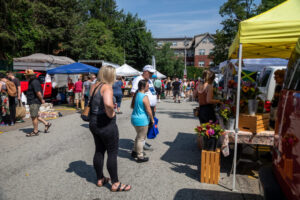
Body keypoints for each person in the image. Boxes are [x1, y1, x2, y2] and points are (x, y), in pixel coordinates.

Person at [89, 65, 131, 192]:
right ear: (110, 75)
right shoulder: (107, 87)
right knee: (112, 152)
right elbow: (107, 103)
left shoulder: (94, 86)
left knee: (99, 150)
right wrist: (111, 113)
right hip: (105, 123)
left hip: (93, 121)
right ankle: (116, 183)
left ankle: (100, 178)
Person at [131, 65, 157, 151]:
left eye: (152, 73)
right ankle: (141, 145)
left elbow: (153, 93)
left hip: (151, 107)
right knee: (143, 127)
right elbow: (133, 93)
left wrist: (154, 105)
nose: (151, 74)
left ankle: (142, 142)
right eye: (150, 73)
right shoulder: (138, 79)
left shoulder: (149, 80)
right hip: (145, 107)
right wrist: (139, 106)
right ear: (145, 71)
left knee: (148, 126)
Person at [130, 80, 154, 162]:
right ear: (143, 87)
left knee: (138, 136)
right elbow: (149, 110)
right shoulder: (144, 96)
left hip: (134, 118)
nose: (148, 87)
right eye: (147, 86)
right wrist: (152, 119)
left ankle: (134, 151)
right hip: (142, 120)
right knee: (141, 138)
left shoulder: (136, 94)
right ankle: (140, 156)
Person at [24, 69, 51, 136]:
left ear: (29, 76)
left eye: (26, 75)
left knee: (34, 117)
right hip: (32, 101)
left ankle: (35, 131)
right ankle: (46, 123)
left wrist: (42, 99)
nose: (25, 77)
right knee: (35, 116)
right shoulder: (32, 81)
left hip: (34, 101)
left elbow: (38, 92)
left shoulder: (34, 82)